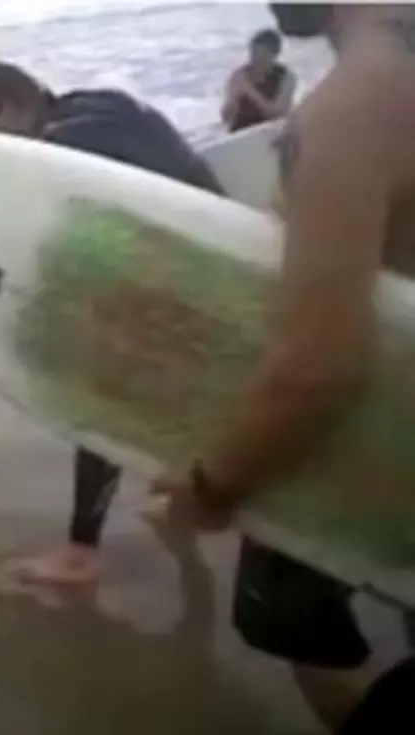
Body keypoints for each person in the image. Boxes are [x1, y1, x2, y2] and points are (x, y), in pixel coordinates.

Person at [152, 3, 415, 732]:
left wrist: (210, 488)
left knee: (284, 617)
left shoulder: (356, 104)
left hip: (370, 445)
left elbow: (318, 368)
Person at [0, 61, 224, 590]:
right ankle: (181, 491)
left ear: (13, 107)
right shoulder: (98, 103)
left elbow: (83, 231)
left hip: (180, 269)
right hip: (217, 253)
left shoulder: (63, 141)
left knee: (99, 397)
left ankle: (82, 552)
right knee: (169, 387)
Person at [221, 28, 297, 133]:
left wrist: (249, 90)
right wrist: (231, 104)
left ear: (275, 54)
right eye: (254, 54)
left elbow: (277, 115)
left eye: (263, 55)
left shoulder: (286, 78)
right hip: (242, 133)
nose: (256, 60)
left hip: (271, 132)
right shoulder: (238, 76)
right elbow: (226, 119)